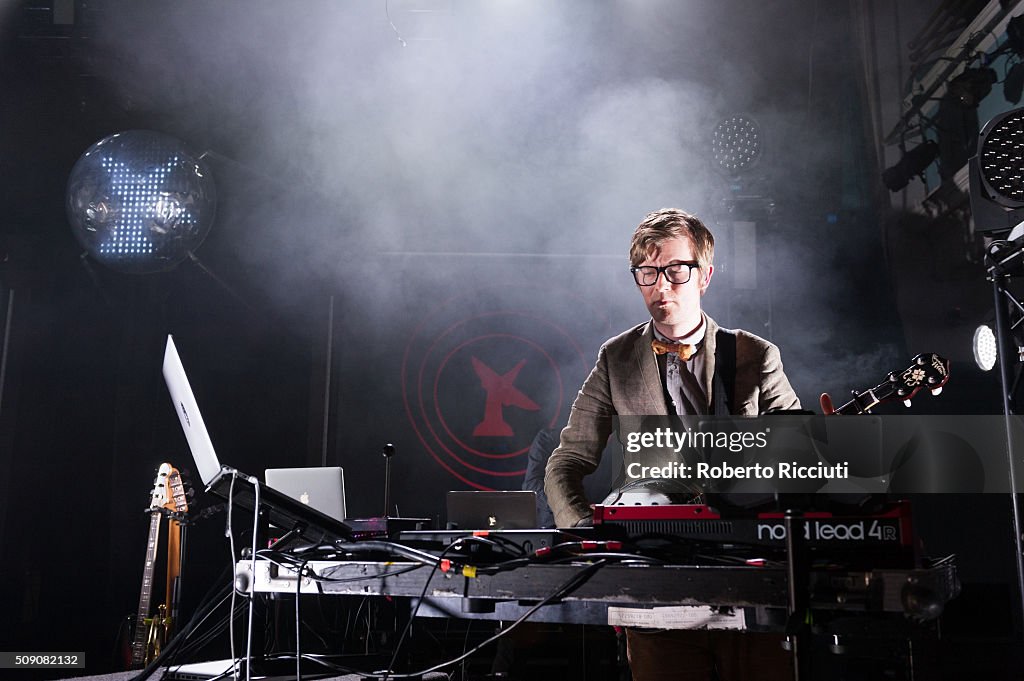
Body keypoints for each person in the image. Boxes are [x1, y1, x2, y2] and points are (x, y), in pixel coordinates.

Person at [544, 207, 800, 681]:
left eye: (675, 270)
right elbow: (567, 460)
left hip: (747, 575)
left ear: (705, 275)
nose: (660, 286)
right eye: (647, 272)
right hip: (653, 589)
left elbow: (799, 460)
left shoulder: (755, 354)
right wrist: (585, 532)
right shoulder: (615, 358)